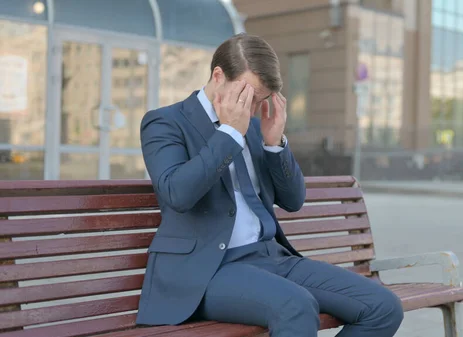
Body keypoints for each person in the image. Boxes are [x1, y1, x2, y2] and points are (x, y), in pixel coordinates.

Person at [136, 33, 403, 337]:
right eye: (248, 97)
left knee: (382, 307)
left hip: (271, 257)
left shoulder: (254, 128)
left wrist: (275, 143)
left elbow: (293, 200)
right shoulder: (166, 122)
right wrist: (228, 135)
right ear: (219, 76)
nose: (252, 110)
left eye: (260, 101)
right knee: (297, 305)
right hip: (206, 270)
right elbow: (177, 193)